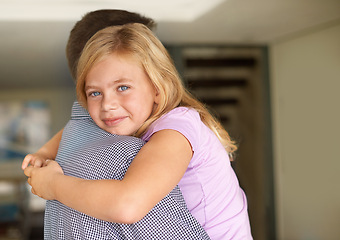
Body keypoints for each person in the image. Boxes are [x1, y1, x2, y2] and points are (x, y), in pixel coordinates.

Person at [24, 24, 253, 239]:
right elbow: (79, 129)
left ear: (157, 87)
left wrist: (54, 185)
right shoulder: (128, 120)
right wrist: (44, 153)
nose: (107, 105)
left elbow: (128, 205)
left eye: (123, 87)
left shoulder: (177, 127)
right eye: (95, 93)